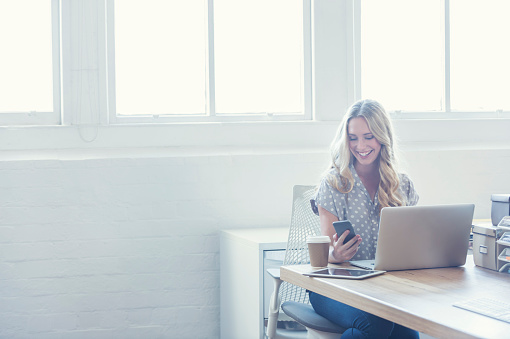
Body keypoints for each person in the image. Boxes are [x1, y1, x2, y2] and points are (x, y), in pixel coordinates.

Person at [309, 99, 420, 339]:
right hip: (333, 286)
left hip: (383, 287)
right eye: (353, 137)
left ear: (382, 136)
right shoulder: (333, 183)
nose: (360, 145)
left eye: (368, 136)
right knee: (377, 323)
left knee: (408, 334)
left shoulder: (403, 186)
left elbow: (412, 245)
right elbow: (326, 252)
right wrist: (335, 254)